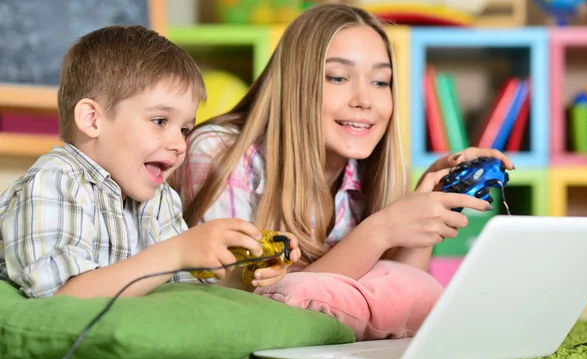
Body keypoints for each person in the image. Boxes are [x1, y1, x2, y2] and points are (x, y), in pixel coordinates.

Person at [172, 4, 514, 341]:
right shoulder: (219, 151)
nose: (364, 99)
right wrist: (377, 232)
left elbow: (402, 289)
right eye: (338, 77)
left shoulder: (364, 171)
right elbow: (232, 307)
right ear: (296, 84)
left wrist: (429, 203)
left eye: (381, 82)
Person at [0, 25, 299, 300]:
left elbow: (185, 291)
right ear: (92, 119)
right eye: (159, 121)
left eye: (184, 129)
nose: (179, 144)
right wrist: (175, 253)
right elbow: (61, 295)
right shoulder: (56, 180)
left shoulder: (160, 198)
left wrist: (249, 272)